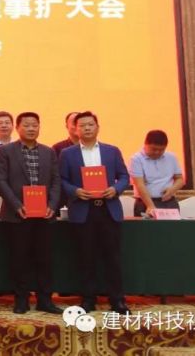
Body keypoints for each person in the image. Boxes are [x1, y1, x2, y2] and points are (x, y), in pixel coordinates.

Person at [59, 111, 130, 315]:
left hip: (108, 210)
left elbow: (124, 176)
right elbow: (61, 179)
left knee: (112, 257)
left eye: (90, 124)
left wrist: (116, 189)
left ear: (97, 127)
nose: (87, 128)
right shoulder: (67, 154)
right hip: (83, 211)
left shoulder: (112, 151)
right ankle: (88, 299)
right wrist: (75, 191)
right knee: (85, 257)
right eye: (82, 125)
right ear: (75, 129)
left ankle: (117, 300)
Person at [0, 112, 63, 314]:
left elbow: (56, 181)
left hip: (44, 215)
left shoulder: (49, 152)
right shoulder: (5, 151)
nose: (31, 128)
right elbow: (0, 180)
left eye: (35, 125)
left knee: (44, 259)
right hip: (17, 215)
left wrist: (52, 205)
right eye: (26, 125)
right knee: (19, 259)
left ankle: (45, 300)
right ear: (17, 128)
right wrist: (17, 205)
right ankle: (21, 300)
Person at [130, 130, 185, 217]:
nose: (157, 152)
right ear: (145, 144)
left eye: (161, 150)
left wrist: (172, 189)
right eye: (154, 149)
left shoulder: (171, 157)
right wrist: (150, 206)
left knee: (172, 226)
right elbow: (140, 185)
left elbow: (180, 179)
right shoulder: (137, 159)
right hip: (145, 202)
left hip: (169, 201)